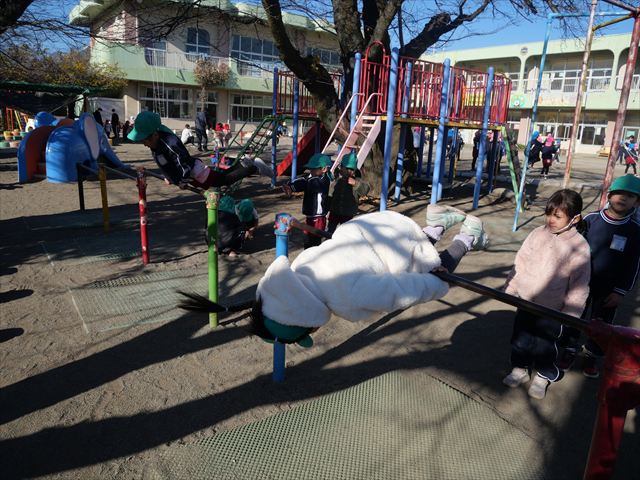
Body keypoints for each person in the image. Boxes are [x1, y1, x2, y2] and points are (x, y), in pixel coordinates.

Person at [180, 206, 489, 348]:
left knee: (435, 272)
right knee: (410, 251)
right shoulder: (302, 268)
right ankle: (436, 223)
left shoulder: (347, 298)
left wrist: (433, 286)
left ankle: (467, 237)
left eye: (309, 329)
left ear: (305, 321)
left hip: (391, 246)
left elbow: (397, 291)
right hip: (372, 227)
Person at [502, 189, 591, 400]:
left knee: (546, 344)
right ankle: (520, 368)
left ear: (575, 218)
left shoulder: (579, 246)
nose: (550, 220)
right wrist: (511, 287)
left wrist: (570, 313)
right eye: (548, 214)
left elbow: (580, 284)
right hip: (527, 300)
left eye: (557, 216)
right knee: (521, 338)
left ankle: (543, 375)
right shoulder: (537, 234)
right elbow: (521, 261)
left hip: (553, 308)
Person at [559, 175, 640, 378]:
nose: (623, 198)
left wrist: (620, 291)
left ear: (637, 202)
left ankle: (592, 355)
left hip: (609, 289)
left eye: (630, 196)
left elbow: (634, 264)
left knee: (602, 324)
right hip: (581, 282)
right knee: (574, 316)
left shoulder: (635, 230)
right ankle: (568, 350)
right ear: (609, 195)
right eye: (619, 193)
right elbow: (572, 248)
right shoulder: (591, 220)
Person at [127, 111, 272, 190]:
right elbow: (166, 165)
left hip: (194, 172)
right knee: (222, 176)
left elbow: (180, 162)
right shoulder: (155, 144)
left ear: (155, 134)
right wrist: (170, 177)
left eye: (144, 140)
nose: (144, 144)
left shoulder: (170, 143)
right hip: (190, 175)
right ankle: (244, 163)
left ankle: (253, 167)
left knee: (224, 180)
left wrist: (181, 180)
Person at [283, 153, 331, 249]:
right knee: (308, 237)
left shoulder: (323, 181)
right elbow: (305, 181)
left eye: (313, 169)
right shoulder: (313, 178)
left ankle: (314, 252)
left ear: (324, 169)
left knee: (315, 239)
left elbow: (306, 182)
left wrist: (292, 187)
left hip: (318, 216)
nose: (311, 171)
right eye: (310, 169)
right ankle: (308, 249)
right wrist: (290, 186)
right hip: (310, 215)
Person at [327, 153, 370, 235]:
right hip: (334, 210)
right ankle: (329, 238)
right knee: (330, 230)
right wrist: (327, 205)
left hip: (348, 213)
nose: (349, 171)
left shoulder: (357, 179)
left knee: (346, 232)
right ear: (341, 167)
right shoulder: (337, 178)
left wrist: (356, 184)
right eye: (346, 168)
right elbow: (330, 192)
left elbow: (365, 190)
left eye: (351, 169)